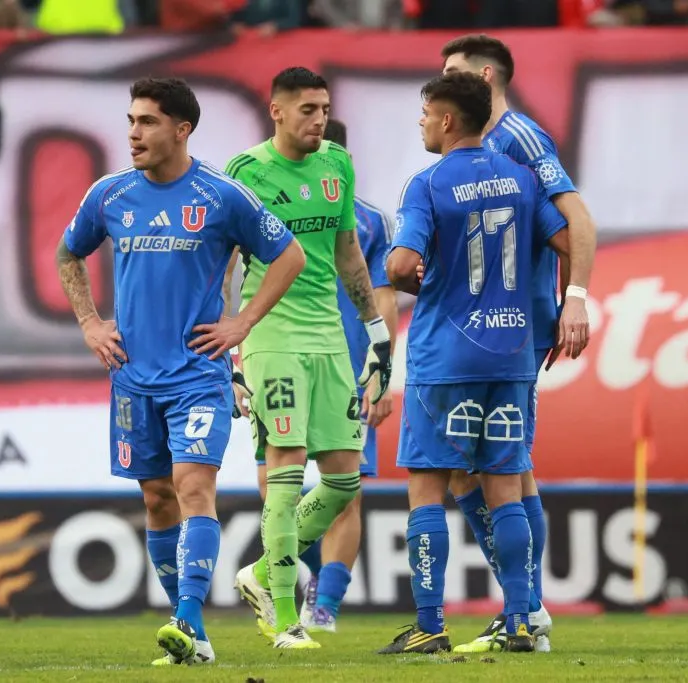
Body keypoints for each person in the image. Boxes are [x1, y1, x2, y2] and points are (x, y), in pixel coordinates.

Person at [55, 77, 305, 666]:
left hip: (198, 374)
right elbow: (69, 252)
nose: (133, 133)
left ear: (181, 129)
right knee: (158, 499)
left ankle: (188, 620)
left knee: (194, 488)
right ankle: (192, 636)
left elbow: (288, 255)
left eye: (146, 122)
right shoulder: (110, 195)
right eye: (131, 120)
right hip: (132, 378)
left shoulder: (222, 196)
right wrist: (91, 324)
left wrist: (241, 323)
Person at [376, 71, 574, 655]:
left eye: (424, 113)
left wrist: (419, 269)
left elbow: (399, 266)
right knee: (505, 488)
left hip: (445, 356)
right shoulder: (521, 178)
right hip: (512, 355)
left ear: (445, 119)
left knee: (427, 487)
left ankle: (430, 623)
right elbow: (564, 241)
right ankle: (519, 618)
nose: (420, 123)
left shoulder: (428, 184)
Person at [224, 67, 392, 650]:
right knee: (288, 468)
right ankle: (285, 620)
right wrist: (232, 346)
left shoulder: (337, 165)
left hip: (329, 339)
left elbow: (348, 251)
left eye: (324, 108)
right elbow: (228, 261)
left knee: (346, 479)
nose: (319, 120)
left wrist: (375, 329)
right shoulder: (247, 173)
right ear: (276, 110)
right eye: (307, 110)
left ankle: (262, 572)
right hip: (271, 337)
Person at [440, 33, 596, 653]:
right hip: (483, 330)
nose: (441, 84)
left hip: (514, 329)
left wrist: (575, 297)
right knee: (503, 469)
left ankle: (525, 608)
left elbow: (575, 220)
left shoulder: (521, 138)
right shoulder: (475, 144)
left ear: (484, 75)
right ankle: (526, 608)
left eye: (452, 72)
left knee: (484, 469)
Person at [295, 118, 399, 633]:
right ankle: (312, 579)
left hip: (349, 375)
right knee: (283, 489)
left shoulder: (371, 223)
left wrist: (380, 372)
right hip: (286, 364)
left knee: (345, 489)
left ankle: (325, 604)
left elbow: (384, 301)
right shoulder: (271, 212)